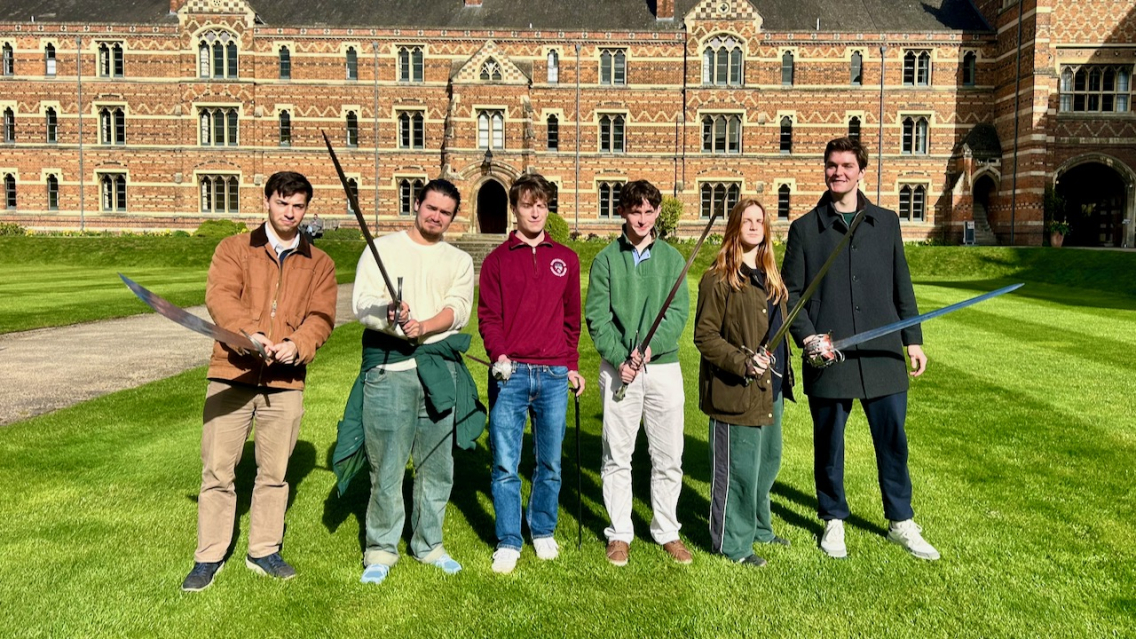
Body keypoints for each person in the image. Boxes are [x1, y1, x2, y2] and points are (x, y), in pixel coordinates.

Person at [781, 136, 939, 561]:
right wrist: (809, 338)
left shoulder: (886, 223)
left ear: (861, 171)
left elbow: (900, 283)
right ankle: (833, 517)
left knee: (893, 441)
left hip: (883, 351)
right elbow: (790, 296)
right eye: (832, 165)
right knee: (829, 442)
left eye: (847, 165)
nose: (838, 172)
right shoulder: (804, 229)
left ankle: (901, 521)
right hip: (829, 355)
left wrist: (914, 340)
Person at [181, 171, 338, 592]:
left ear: (306, 209)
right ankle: (209, 556)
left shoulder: (319, 262)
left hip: (285, 382)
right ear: (267, 201)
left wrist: (296, 344)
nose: (289, 212)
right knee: (217, 469)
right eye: (282, 203)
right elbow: (220, 297)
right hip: (232, 372)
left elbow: (321, 317)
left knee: (274, 472)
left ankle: (263, 550)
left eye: (298, 205)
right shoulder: (233, 248)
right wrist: (250, 334)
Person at [332, 178, 482, 585]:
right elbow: (362, 304)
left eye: (445, 213)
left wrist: (423, 326)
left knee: (438, 466)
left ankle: (429, 544)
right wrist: (392, 316)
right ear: (417, 204)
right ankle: (381, 548)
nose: (436, 217)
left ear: (453, 217)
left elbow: (459, 308)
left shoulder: (458, 260)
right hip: (389, 373)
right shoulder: (382, 248)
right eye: (431, 207)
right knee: (388, 467)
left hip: (439, 372)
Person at [477, 173, 585, 575]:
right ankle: (508, 539)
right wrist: (499, 353)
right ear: (515, 209)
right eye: (527, 205)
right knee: (506, 462)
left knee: (549, 462)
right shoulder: (497, 260)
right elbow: (488, 317)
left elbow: (571, 320)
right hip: (513, 372)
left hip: (554, 374)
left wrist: (571, 365)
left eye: (541, 204)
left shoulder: (567, 259)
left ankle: (542, 529)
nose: (536, 211)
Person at [584, 179, 692, 567]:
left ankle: (666, 530)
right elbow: (597, 316)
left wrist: (649, 350)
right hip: (619, 370)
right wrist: (619, 357)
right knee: (617, 455)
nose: (642, 218)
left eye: (649, 211)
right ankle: (619, 533)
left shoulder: (673, 260)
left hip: (662, 368)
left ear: (658, 212)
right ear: (623, 213)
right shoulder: (606, 260)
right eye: (635, 211)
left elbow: (678, 314)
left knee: (668, 456)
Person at [694, 198, 795, 568]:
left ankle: (758, 528)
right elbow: (704, 337)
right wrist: (742, 362)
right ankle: (732, 544)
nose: (754, 226)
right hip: (735, 391)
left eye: (759, 221)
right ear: (734, 227)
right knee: (737, 469)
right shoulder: (719, 278)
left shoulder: (772, 277)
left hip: (772, 388)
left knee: (766, 464)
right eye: (746, 221)